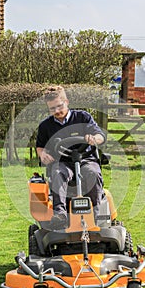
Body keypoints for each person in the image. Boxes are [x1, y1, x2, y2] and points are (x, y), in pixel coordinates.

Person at [36, 85, 106, 229]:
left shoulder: (83, 117)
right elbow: (40, 146)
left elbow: (100, 136)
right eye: (52, 109)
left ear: (66, 102)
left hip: (85, 159)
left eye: (59, 106)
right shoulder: (45, 126)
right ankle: (60, 213)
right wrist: (42, 154)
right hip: (62, 161)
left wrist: (94, 139)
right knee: (57, 173)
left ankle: (95, 212)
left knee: (93, 173)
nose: (56, 111)